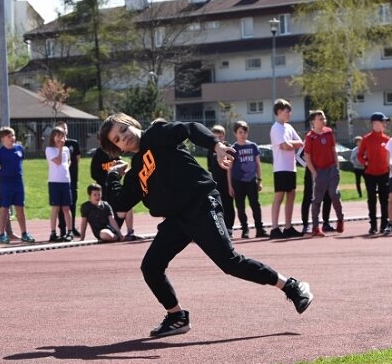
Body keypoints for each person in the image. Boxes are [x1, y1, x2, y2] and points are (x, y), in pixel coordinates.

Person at [99, 113, 313, 337]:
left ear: (133, 124)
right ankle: (177, 316)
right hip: (177, 219)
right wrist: (113, 176)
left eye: (124, 130)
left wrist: (216, 146)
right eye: (117, 139)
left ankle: (292, 286)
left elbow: (190, 127)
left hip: (201, 204)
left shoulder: (156, 135)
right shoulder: (136, 173)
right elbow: (121, 202)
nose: (123, 138)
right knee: (151, 267)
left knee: (230, 262)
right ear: (117, 148)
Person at [0, 126, 35, 244]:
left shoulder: (19, 149)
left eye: (13, 135)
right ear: (3, 139)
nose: (12, 138)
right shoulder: (0, 153)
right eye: (9, 136)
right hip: (6, 184)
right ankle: (2, 234)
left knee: (20, 207)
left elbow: (19, 162)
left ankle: (24, 233)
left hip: (18, 182)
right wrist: (3, 171)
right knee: (4, 208)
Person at [303, 110, 345, 237]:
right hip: (319, 171)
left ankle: (340, 218)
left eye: (324, 118)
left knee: (334, 193)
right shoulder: (310, 137)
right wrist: (314, 173)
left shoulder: (329, 132)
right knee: (317, 200)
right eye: (320, 119)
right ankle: (316, 227)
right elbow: (307, 157)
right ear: (313, 122)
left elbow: (333, 150)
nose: (323, 121)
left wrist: (337, 167)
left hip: (331, 168)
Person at [269, 99, 304, 239]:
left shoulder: (289, 127)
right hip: (280, 168)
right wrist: (291, 144)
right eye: (287, 111)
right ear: (279, 112)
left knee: (291, 195)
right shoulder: (276, 128)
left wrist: (292, 144)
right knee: (279, 196)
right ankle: (274, 228)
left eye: (290, 111)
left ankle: (288, 226)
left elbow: (300, 142)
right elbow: (284, 146)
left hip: (291, 167)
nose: (289, 113)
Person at [229, 120, 268, 239]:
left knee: (255, 205)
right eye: (240, 132)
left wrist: (259, 180)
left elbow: (258, 164)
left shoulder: (253, 146)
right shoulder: (233, 148)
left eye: (245, 132)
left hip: (251, 180)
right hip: (238, 181)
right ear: (235, 133)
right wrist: (230, 186)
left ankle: (259, 228)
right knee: (240, 206)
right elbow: (229, 169)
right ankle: (245, 229)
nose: (243, 134)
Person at [91, 146, 138, 241]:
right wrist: (107, 181)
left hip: (114, 191)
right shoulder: (98, 155)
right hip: (104, 192)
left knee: (128, 203)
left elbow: (123, 168)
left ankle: (130, 232)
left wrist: (118, 175)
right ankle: (115, 234)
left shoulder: (116, 155)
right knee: (108, 217)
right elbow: (94, 173)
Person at [46, 126, 73, 242]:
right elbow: (57, 161)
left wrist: (63, 149)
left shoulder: (66, 149)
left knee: (66, 208)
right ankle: (53, 232)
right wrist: (61, 148)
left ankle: (70, 232)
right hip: (54, 182)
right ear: (53, 137)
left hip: (65, 181)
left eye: (62, 136)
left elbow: (67, 162)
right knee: (56, 207)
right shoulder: (49, 149)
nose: (60, 138)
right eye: (58, 136)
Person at [208, 125, 236, 238]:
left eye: (220, 136)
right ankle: (220, 229)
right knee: (216, 206)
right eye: (216, 136)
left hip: (226, 181)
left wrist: (230, 186)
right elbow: (210, 167)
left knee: (228, 205)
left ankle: (229, 228)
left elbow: (229, 166)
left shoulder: (227, 147)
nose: (218, 139)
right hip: (215, 182)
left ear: (223, 136)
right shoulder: (211, 149)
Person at [56, 121, 82, 238]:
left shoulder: (73, 143)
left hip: (72, 177)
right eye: (61, 129)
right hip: (60, 179)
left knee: (72, 203)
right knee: (61, 204)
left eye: (65, 128)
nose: (63, 131)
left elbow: (77, 159)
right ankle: (62, 228)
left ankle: (72, 227)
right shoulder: (55, 145)